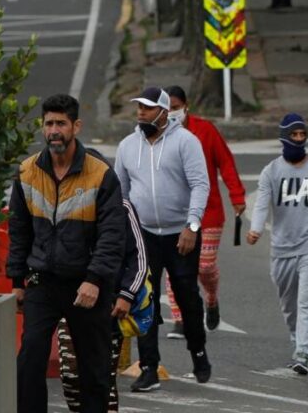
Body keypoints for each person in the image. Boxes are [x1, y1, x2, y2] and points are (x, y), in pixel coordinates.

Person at [9, 94, 126, 412]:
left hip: (87, 286)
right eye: (49, 124)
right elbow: (19, 230)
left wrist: (95, 280)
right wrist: (17, 281)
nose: (54, 131)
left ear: (76, 126)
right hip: (43, 284)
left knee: (94, 371)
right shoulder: (27, 172)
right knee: (29, 360)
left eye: (61, 123)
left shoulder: (101, 174)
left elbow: (112, 237)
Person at [114, 87, 212, 391]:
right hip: (144, 236)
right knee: (145, 301)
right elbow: (121, 192)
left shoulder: (186, 142)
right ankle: (149, 368)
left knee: (187, 298)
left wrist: (191, 227)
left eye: (147, 108)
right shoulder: (128, 146)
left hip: (181, 234)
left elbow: (200, 184)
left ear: (164, 112)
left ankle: (197, 351)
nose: (141, 112)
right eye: (139, 108)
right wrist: (125, 233)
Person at [247, 114, 308, 375]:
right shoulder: (271, 171)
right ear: (284, 137)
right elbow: (261, 203)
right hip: (282, 247)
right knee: (289, 304)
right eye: (294, 135)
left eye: (302, 134)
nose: (299, 139)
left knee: (307, 301)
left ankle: (303, 352)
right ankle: (297, 340)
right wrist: (256, 229)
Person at [161, 86, 246, 338]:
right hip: (174, 215)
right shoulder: (160, 135)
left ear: (187, 107)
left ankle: (211, 297)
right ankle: (179, 320)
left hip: (208, 213)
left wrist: (237, 195)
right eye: (167, 108)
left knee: (205, 267)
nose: (171, 113)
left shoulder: (205, 130)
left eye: (175, 108)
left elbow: (226, 162)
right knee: (175, 267)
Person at [56, 198, 148, 413]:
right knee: (70, 375)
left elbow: (140, 258)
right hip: (68, 300)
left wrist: (126, 295)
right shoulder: (61, 200)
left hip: (109, 303)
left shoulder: (121, 205)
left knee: (102, 377)